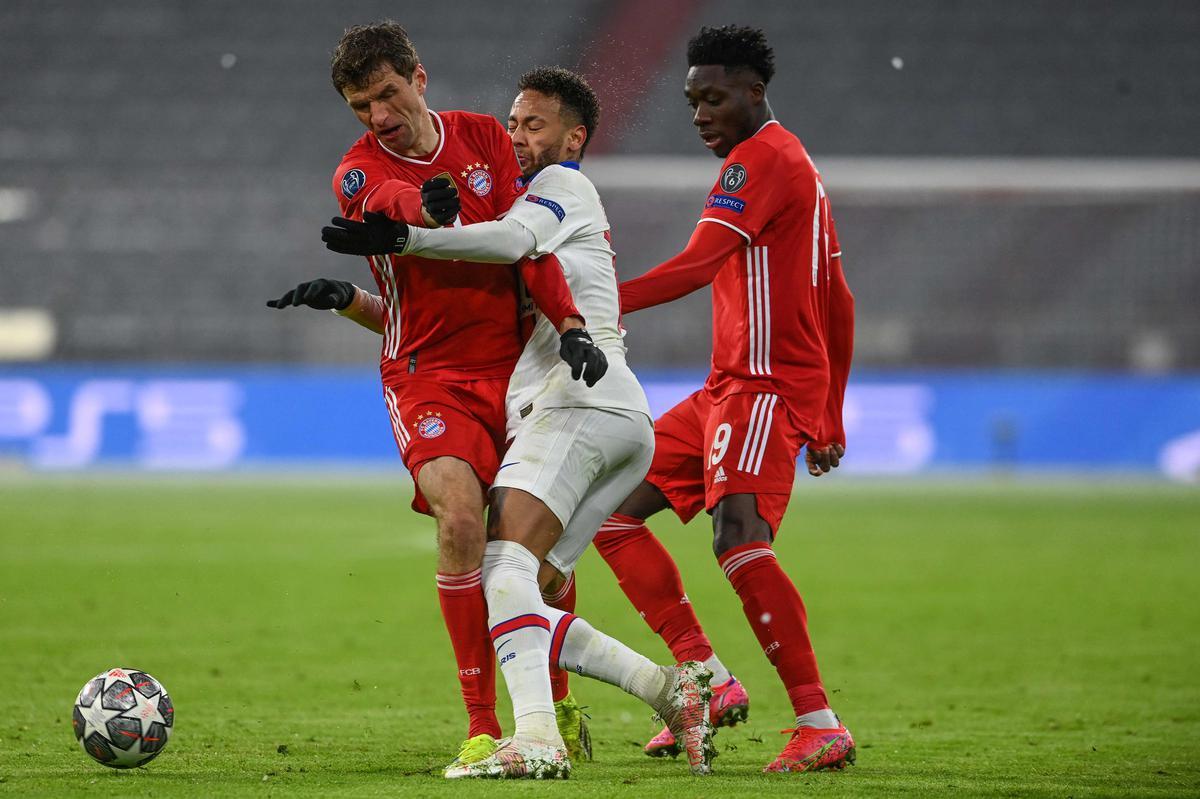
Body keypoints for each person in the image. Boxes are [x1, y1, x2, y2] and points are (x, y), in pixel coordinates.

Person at [321, 66, 717, 780]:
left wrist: (412, 239)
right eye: (513, 125)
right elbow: (393, 196)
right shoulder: (376, 171)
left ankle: (535, 733)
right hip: (600, 406)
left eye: (532, 126)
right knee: (514, 576)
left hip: (563, 400)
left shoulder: (552, 186)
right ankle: (669, 688)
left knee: (499, 571)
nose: (516, 137)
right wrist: (409, 223)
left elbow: (510, 245)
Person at [268, 21, 607, 772]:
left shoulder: (488, 136)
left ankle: (555, 694)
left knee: (535, 549)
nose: (378, 116)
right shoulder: (354, 171)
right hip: (426, 373)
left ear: (419, 79)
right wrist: (430, 206)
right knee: (460, 517)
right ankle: (484, 722)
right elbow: (390, 202)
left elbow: (529, 248)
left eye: (387, 95)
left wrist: (572, 322)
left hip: (517, 370)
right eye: (361, 106)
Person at [604, 25, 858, 774]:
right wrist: (835, 408)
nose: (699, 114)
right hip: (729, 387)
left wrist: (592, 301)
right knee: (612, 508)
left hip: (765, 384)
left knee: (739, 536)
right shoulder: (793, 164)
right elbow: (838, 297)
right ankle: (707, 679)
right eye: (690, 101)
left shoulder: (763, 160)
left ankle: (819, 721)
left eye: (713, 98)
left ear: (755, 91)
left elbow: (698, 262)